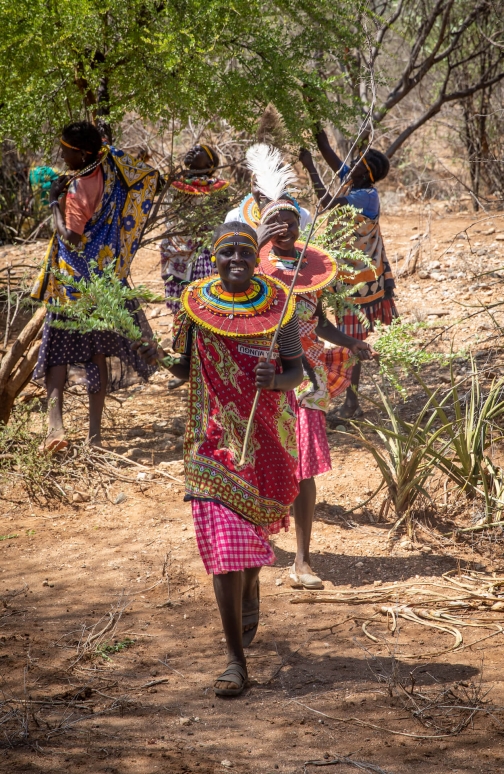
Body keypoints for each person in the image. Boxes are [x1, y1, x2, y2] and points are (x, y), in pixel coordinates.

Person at [135, 222, 304, 697]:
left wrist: (275, 380)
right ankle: (235, 661)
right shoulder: (195, 304)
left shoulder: (278, 305)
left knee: (246, 548)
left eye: (244, 253)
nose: (235, 260)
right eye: (226, 252)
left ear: (255, 258)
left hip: (266, 441)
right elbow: (184, 368)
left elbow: (297, 371)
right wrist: (143, 343)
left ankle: (251, 588)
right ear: (214, 256)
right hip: (209, 442)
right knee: (226, 552)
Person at [247, 144, 375, 589]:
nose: (284, 228)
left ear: (301, 225)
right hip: (264, 376)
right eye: (275, 222)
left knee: (302, 468)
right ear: (264, 225)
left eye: (291, 221)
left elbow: (316, 321)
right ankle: (258, 541)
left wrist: (352, 343)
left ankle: (302, 560)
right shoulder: (252, 263)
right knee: (263, 460)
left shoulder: (313, 266)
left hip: (307, 379)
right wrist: (261, 243)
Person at [31, 121, 159, 451]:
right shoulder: (111, 169)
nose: (62, 154)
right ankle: (95, 437)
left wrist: (54, 202)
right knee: (95, 355)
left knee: (57, 356)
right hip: (102, 282)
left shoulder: (76, 191)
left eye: (66, 151)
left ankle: (55, 430)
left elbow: (71, 237)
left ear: (82, 153)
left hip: (72, 286)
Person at [299, 128, 397, 418]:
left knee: (353, 338)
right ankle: (331, 390)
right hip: (345, 273)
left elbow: (327, 203)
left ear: (364, 173)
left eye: (353, 164)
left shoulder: (365, 196)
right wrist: (314, 116)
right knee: (336, 328)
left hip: (360, 281)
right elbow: (328, 149)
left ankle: (352, 403)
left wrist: (310, 166)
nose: (346, 167)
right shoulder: (356, 182)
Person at [161, 143, 229, 314]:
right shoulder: (175, 183)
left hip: (203, 250)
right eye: (192, 148)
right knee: (180, 305)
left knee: (202, 299)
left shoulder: (217, 189)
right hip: (175, 250)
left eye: (199, 151)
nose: (192, 150)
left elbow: (218, 222)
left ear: (209, 165)